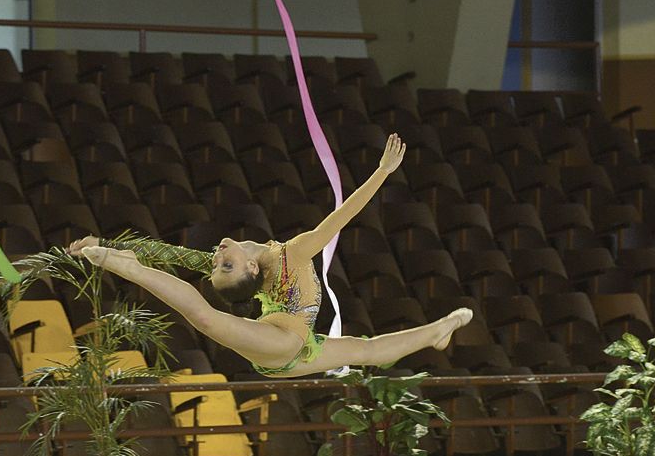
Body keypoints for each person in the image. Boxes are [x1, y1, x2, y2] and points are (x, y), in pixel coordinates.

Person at [68, 133, 473, 378]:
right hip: (281, 344)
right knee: (205, 317)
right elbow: (342, 217)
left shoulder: (270, 260)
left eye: (216, 265)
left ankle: (436, 331)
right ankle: (123, 267)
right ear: (247, 268)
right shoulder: (290, 254)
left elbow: (170, 252)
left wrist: (105, 238)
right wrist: (383, 172)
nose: (215, 257)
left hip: (294, 349)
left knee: (365, 351)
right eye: (222, 266)